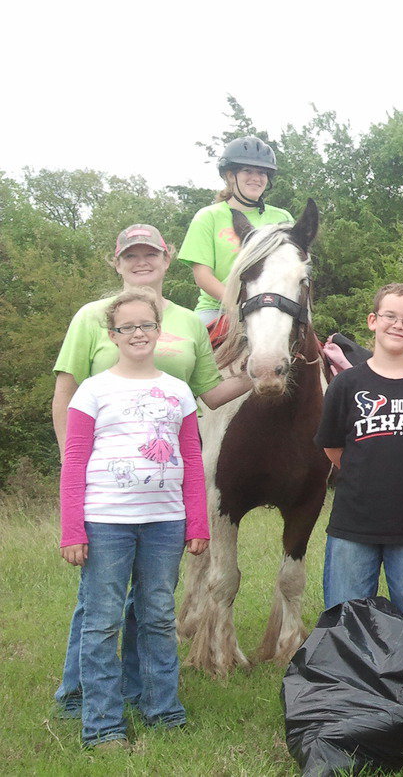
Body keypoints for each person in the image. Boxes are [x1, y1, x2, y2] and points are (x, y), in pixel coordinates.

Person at [51, 224, 250, 720]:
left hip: (161, 490)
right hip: (106, 487)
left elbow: (206, 393)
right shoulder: (91, 317)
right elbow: (66, 391)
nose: (141, 262)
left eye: (150, 254)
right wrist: (69, 463)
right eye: (130, 256)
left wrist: (256, 374)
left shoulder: (186, 320)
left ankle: (142, 690)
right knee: (98, 602)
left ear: (167, 257)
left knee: (152, 602)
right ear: (116, 263)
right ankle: (78, 695)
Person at [58, 288, 209, 751]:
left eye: (146, 325)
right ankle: (102, 724)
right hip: (105, 524)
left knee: (159, 617)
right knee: (102, 622)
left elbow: (191, 457)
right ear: (113, 334)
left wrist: (198, 523)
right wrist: (72, 528)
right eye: (128, 327)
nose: (138, 333)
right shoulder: (94, 389)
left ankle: (162, 710)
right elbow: (75, 459)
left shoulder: (178, 390)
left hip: (165, 523)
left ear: (159, 331)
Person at [315, 283, 403, 612]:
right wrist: (365, 474)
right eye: (390, 315)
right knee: (345, 619)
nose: (398, 324)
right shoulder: (346, 384)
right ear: (372, 320)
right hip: (353, 523)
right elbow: (333, 447)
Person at [178, 135, 294, 327]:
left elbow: (290, 269)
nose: (256, 178)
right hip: (218, 308)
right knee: (190, 352)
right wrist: (240, 306)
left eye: (262, 173)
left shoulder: (282, 218)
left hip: (273, 307)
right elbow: (203, 276)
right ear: (231, 176)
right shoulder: (208, 217)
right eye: (248, 171)